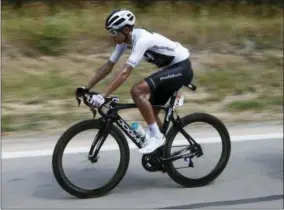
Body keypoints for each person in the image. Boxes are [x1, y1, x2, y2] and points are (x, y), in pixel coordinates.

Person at [76, 9, 194, 154]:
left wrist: (103, 95)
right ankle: (163, 153)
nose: (111, 37)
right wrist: (86, 87)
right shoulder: (124, 42)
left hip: (181, 67)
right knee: (151, 111)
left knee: (137, 91)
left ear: (126, 30)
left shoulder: (142, 39)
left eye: (113, 32)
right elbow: (108, 66)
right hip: (170, 69)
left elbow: (125, 72)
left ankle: (157, 137)